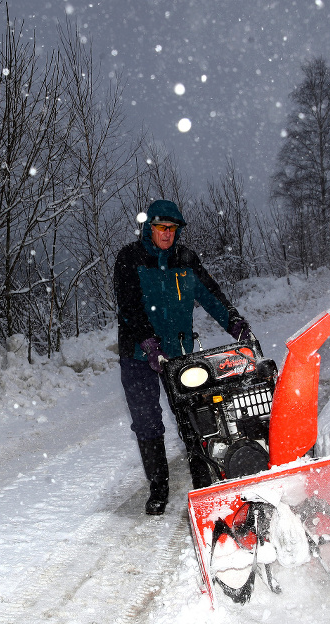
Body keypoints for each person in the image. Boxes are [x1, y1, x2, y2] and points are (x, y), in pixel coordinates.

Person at [114, 199, 252, 515]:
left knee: (193, 418)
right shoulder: (130, 258)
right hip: (138, 355)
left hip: (177, 355)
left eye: (173, 228)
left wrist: (235, 323)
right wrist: (148, 342)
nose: (167, 233)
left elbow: (211, 295)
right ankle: (159, 489)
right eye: (162, 227)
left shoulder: (185, 259)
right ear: (149, 226)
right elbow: (129, 305)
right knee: (147, 422)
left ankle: (203, 485)